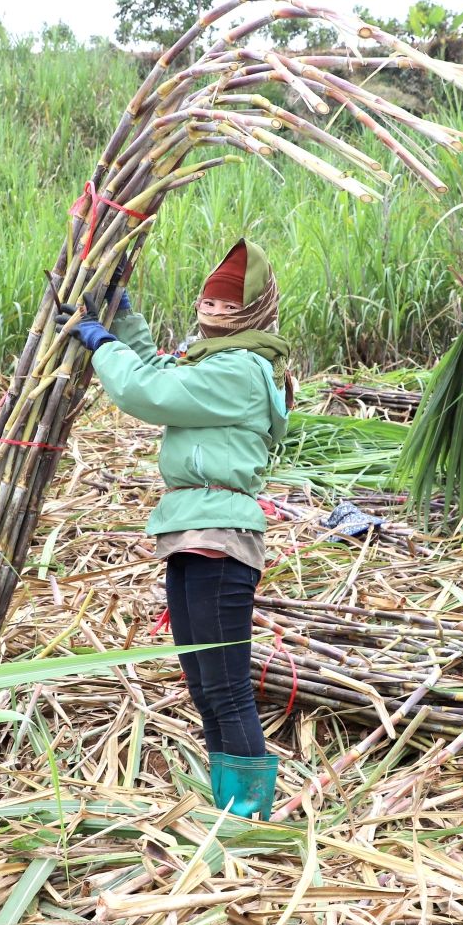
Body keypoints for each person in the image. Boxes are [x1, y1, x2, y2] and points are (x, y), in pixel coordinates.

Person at [55, 238, 290, 820]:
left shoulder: (239, 369)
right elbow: (162, 368)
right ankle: (230, 807)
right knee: (204, 684)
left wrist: (100, 343)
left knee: (228, 686)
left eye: (229, 303)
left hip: (219, 535)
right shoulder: (213, 362)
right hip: (190, 532)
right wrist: (124, 319)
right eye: (209, 298)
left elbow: (148, 391)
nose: (212, 307)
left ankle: (250, 818)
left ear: (253, 312)